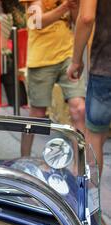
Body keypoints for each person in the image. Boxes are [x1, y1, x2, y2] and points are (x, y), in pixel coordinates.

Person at [20, 0, 86, 157]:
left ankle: (80, 168)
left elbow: (78, 21)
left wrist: (76, 7)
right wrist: (65, 6)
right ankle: (23, 160)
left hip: (68, 55)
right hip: (42, 59)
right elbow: (36, 22)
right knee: (37, 113)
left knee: (79, 109)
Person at [67, 0, 110, 176]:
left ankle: (91, 201)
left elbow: (86, 17)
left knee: (95, 137)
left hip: (105, 66)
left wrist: (76, 60)